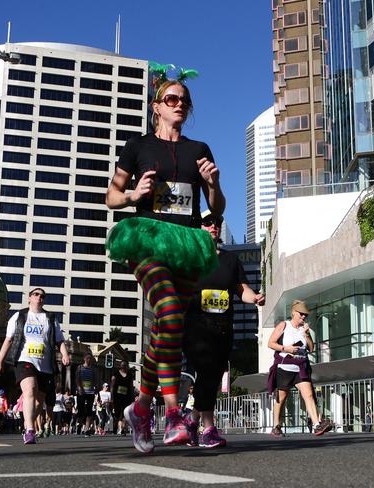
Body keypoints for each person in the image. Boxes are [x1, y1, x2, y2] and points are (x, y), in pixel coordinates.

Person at [105, 68, 225, 453]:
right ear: (157, 106)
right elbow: (111, 196)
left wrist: (213, 184)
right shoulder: (138, 146)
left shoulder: (199, 149)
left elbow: (216, 209)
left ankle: (141, 407)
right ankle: (173, 412)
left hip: (188, 242)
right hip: (148, 239)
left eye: (184, 101)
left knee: (167, 327)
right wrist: (134, 194)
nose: (180, 105)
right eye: (172, 99)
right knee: (170, 312)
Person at [182, 212, 265, 447]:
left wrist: (255, 298)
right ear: (199, 227)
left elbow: (242, 289)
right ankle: (208, 429)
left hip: (224, 328)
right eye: (208, 222)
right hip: (196, 326)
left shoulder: (230, 260)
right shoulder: (190, 257)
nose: (214, 226)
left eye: (217, 223)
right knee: (206, 371)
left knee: (214, 375)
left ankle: (192, 419)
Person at [0, 287, 71, 444]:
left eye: (42, 296)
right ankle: (30, 430)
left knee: (38, 401)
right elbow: (8, 340)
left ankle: (26, 422)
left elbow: (59, 340)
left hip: (45, 365)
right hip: (24, 359)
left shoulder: (50, 318)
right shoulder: (19, 316)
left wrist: (64, 354)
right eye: (36, 294)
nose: (39, 297)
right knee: (30, 391)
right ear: (29, 298)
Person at [268, 301, 332, 437]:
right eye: (301, 314)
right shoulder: (284, 325)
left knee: (308, 395)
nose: (303, 317)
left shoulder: (304, 329)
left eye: (305, 315)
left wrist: (307, 335)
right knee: (282, 397)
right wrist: (286, 348)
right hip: (284, 368)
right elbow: (270, 343)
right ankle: (276, 426)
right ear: (293, 313)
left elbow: (311, 348)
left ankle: (316, 425)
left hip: (300, 367)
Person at [76, 352, 99, 436]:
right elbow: (77, 379)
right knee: (81, 410)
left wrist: (96, 388)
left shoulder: (93, 369)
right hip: (81, 392)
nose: (89, 360)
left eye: (90, 358)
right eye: (87, 358)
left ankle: (86, 429)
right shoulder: (80, 367)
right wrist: (79, 388)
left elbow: (96, 379)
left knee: (89, 410)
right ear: (84, 358)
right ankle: (79, 423)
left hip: (90, 392)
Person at [110, 360, 134, 435]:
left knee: (124, 413)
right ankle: (115, 426)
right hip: (117, 396)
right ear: (120, 366)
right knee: (117, 413)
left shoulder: (130, 375)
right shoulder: (116, 374)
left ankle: (123, 429)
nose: (124, 367)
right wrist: (111, 396)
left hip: (126, 397)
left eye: (125, 365)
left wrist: (132, 397)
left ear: (127, 366)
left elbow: (131, 386)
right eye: (122, 365)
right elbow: (112, 386)